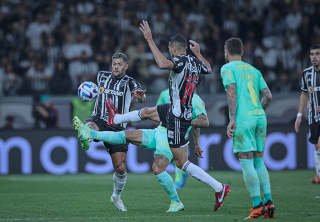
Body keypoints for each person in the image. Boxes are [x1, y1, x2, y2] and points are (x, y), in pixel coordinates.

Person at [106, 21, 230, 211]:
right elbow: (209, 69)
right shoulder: (195, 62)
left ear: (173, 49)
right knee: (148, 112)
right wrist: (198, 53)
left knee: (181, 163)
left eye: (170, 50)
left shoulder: (179, 60)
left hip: (179, 118)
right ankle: (116, 119)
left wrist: (149, 40)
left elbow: (163, 63)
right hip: (173, 109)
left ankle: (219, 187)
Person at [73, 91, 208, 212]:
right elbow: (159, 112)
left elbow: (201, 121)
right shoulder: (168, 93)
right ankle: (91, 134)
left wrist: (195, 140)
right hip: (159, 131)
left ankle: (178, 200)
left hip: (171, 137)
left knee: (161, 167)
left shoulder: (195, 100)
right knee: (127, 135)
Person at [79, 53, 146, 211]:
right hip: (99, 119)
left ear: (126, 66)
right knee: (91, 125)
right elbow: (94, 91)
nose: (116, 67)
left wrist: (140, 97)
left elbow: (140, 97)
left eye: (119, 64)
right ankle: (86, 132)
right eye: (114, 63)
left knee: (120, 168)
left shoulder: (130, 82)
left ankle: (116, 197)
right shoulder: (102, 76)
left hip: (117, 126)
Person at [221, 37, 274, 219]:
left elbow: (231, 91)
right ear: (242, 53)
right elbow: (268, 95)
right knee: (259, 161)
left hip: (243, 120)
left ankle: (257, 207)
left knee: (246, 162)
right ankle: (269, 202)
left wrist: (233, 119)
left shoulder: (227, 68)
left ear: (226, 53)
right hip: (260, 117)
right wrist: (258, 110)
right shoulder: (254, 69)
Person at [295, 44, 320, 188]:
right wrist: (299, 114)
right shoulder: (307, 73)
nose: (314, 57)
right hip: (313, 117)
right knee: (317, 149)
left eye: (317, 54)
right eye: (312, 54)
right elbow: (304, 94)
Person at [156, 88, 189, 189]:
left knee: (178, 153)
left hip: (182, 127)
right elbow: (158, 110)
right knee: (169, 154)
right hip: (167, 127)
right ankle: (183, 173)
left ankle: (178, 181)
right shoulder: (164, 93)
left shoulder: (186, 92)